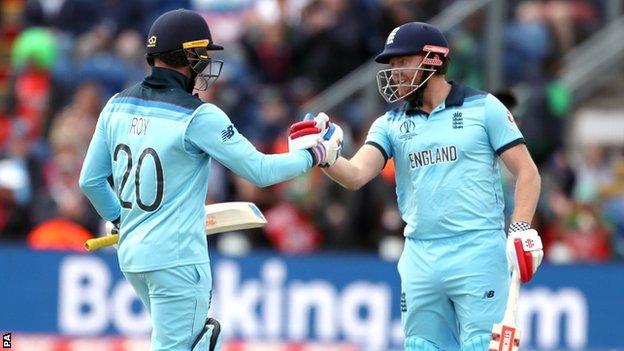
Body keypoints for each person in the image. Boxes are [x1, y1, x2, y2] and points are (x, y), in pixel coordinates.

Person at [78, 9, 341, 351]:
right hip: (177, 260)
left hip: (133, 256)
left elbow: (91, 181)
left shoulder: (115, 105)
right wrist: (313, 155)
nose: (205, 64)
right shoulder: (199, 115)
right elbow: (260, 171)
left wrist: (120, 219)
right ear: (188, 56)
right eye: (201, 55)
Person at [290, 22, 543, 350]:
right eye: (391, 65)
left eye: (401, 62)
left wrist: (520, 227)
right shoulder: (390, 123)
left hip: (478, 250)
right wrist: (322, 156)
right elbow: (355, 174)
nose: (394, 72)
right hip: (421, 254)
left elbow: (528, 172)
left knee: (483, 344)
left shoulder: (485, 107)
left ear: (433, 60)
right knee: (422, 347)